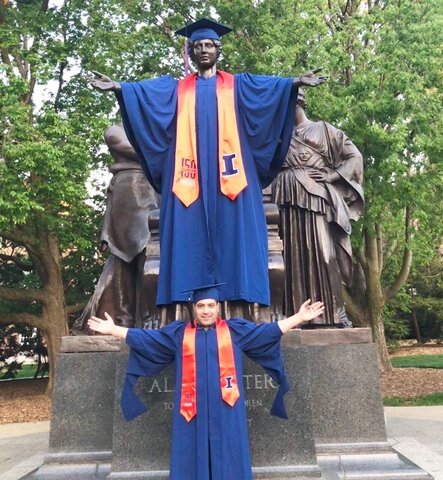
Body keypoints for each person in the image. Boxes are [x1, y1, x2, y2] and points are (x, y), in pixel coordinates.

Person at [89, 18, 327, 309]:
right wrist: (119, 88)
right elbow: (145, 97)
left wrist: (295, 82)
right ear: (190, 53)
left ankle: (240, 290)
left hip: (232, 174)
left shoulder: (237, 86)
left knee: (234, 228)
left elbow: (268, 91)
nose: (203, 50)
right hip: (189, 177)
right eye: (197, 46)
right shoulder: (177, 90)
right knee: (189, 226)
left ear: (218, 50)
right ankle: (187, 291)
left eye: (209, 45)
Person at [87, 284, 324, 480]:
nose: (206, 310)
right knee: (190, 455)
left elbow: (269, 332)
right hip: (191, 412)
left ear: (218, 307)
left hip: (227, 410)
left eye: (211, 305)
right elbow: (147, 339)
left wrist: (299, 317)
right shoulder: (179, 334)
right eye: (201, 306)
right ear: (193, 308)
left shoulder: (234, 331)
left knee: (230, 455)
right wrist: (114, 329)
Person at [272, 90, 364, 326]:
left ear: (298, 102)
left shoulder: (324, 129)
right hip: (285, 197)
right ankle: (295, 315)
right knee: (290, 256)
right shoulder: (277, 137)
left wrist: (334, 176)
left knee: (323, 253)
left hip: (315, 197)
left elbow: (354, 156)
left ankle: (333, 311)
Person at [72, 124, 159, 333]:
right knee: (127, 256)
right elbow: (147, 153)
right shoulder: (116, 130)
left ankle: (151, 317)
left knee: (152, 255)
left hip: (158, 193)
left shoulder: (157, 128)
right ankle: (125, 320)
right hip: (131, 193)